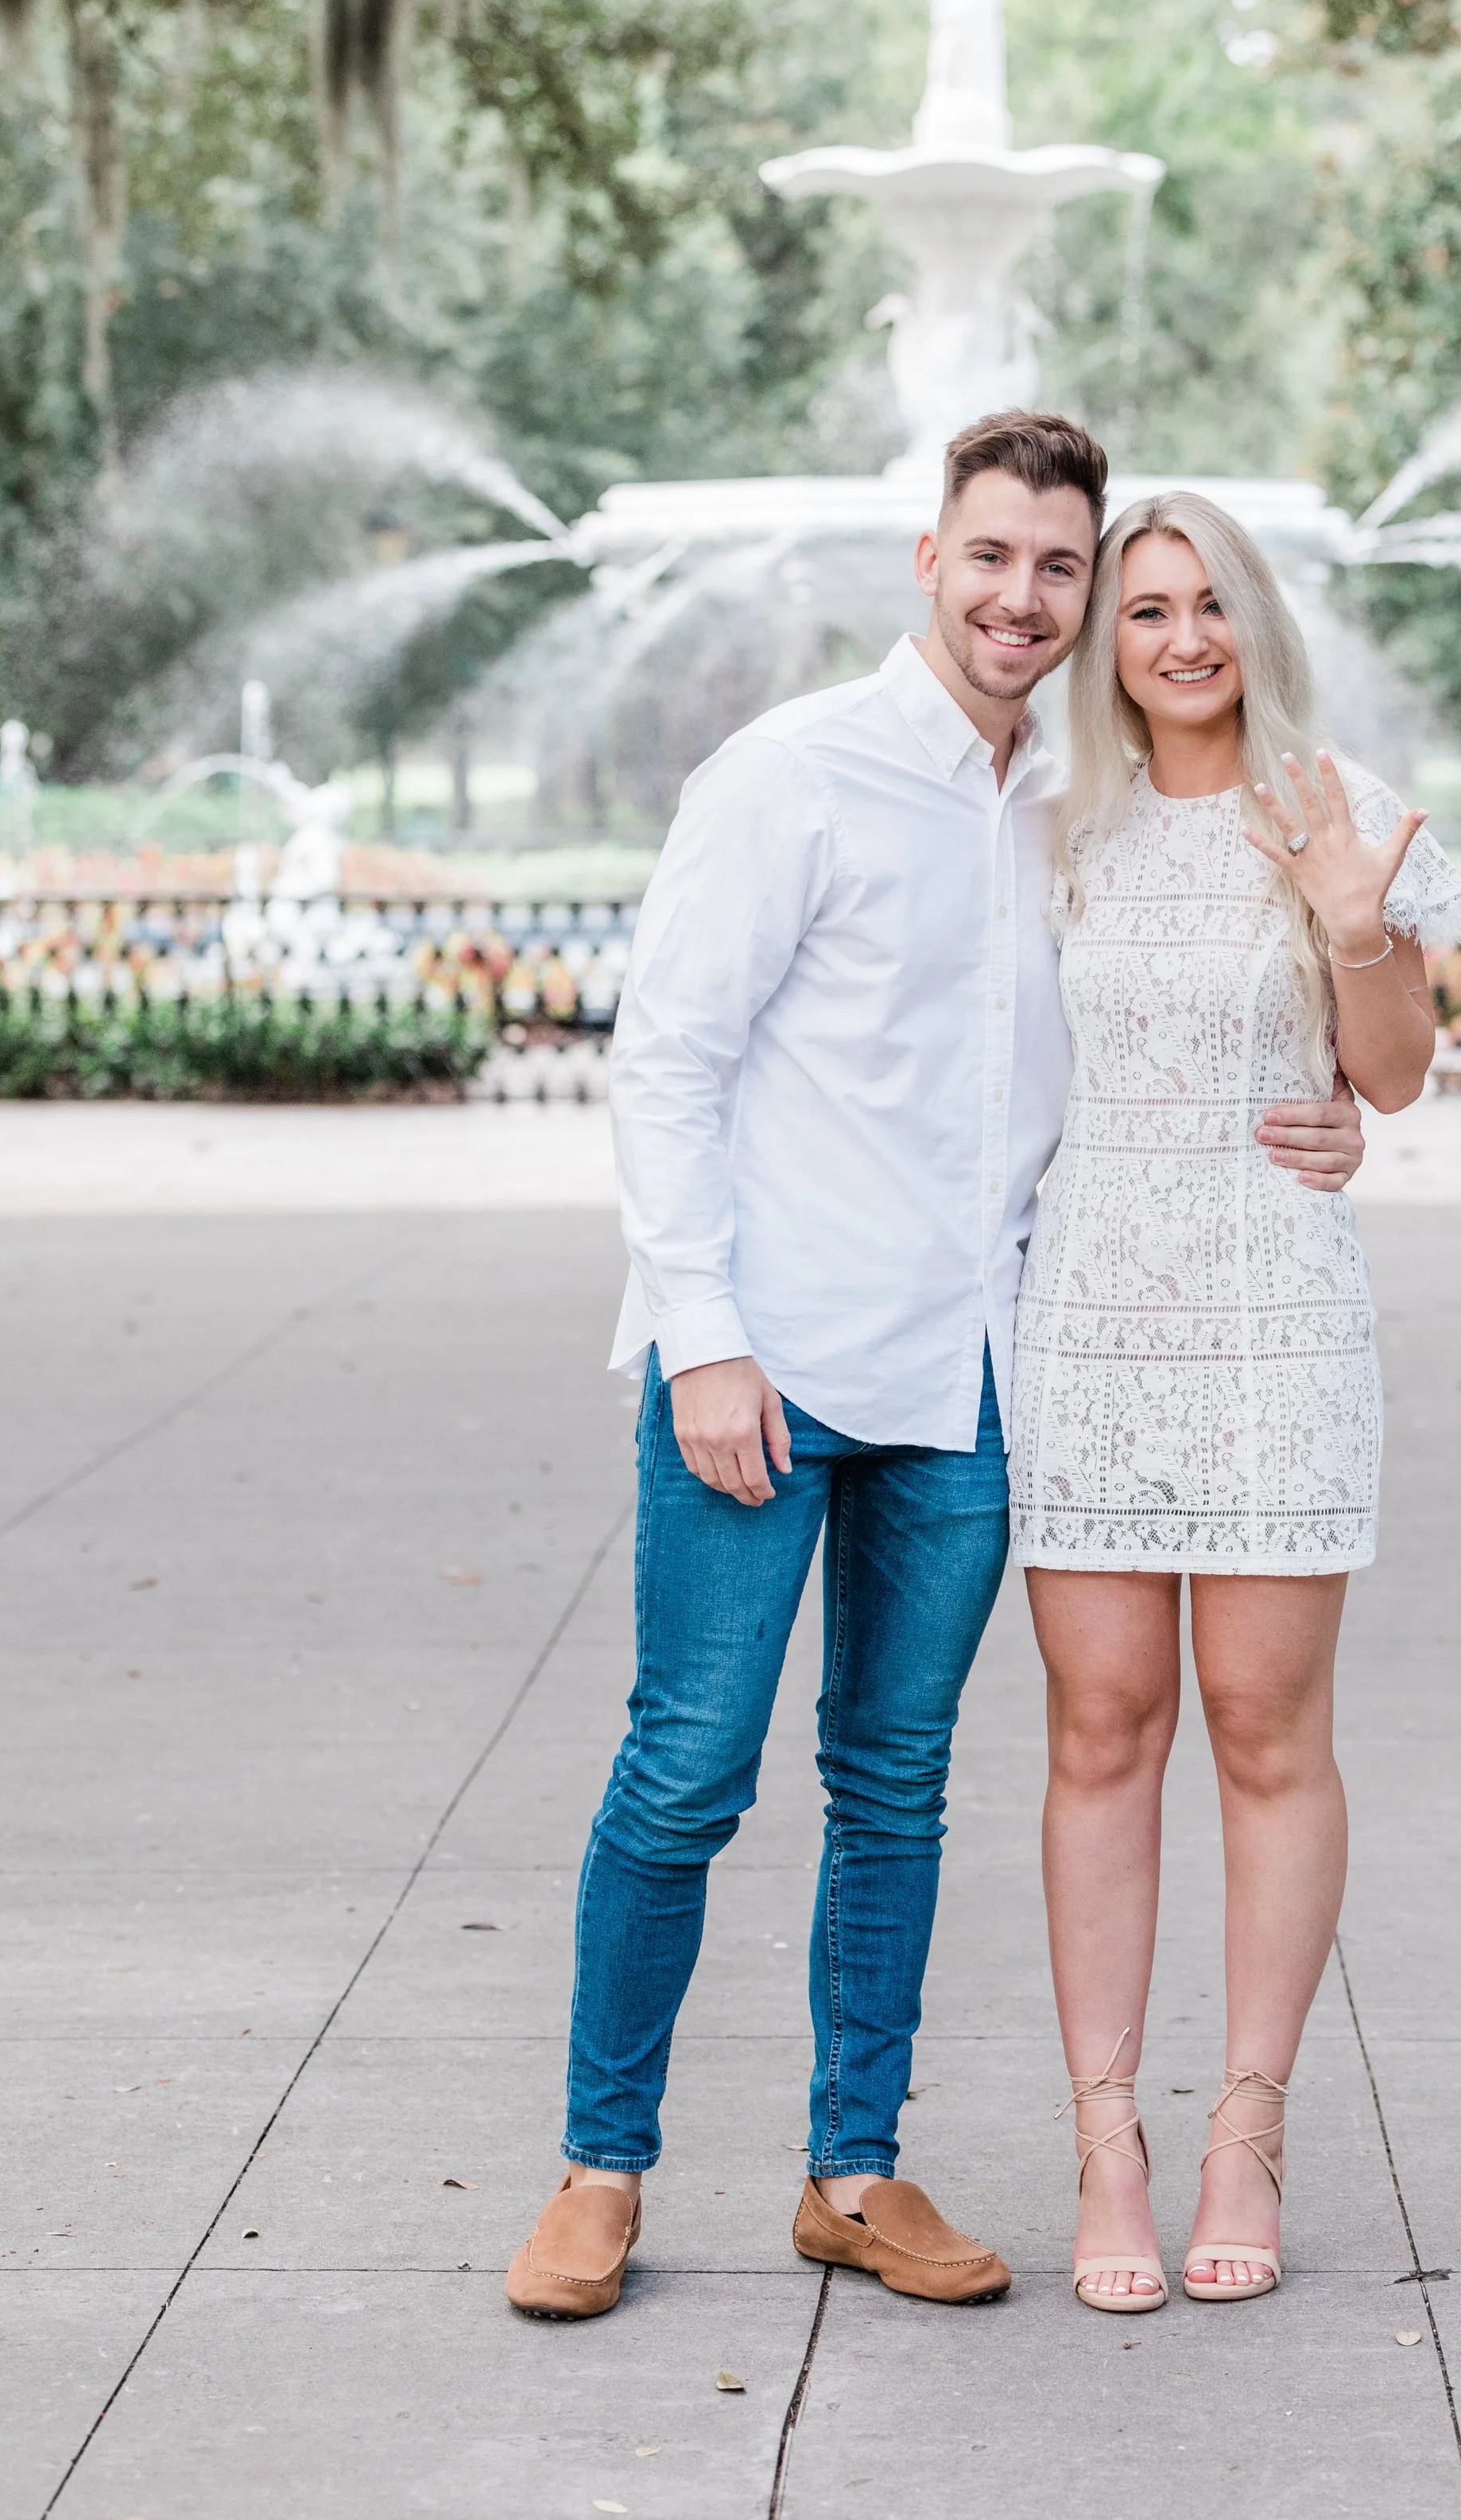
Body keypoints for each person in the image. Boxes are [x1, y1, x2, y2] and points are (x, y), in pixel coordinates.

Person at [506, 415, 1370, 2324]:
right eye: (997, 558)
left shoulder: (1061, 809)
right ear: (929, 559)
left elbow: (1198, 1038)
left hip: (978, 1380)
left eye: (1059, 570)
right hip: (767, 1365)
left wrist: (1330, 1111)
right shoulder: (790, 774)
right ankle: (598, 2167)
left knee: (894, 1787)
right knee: (686, 1771)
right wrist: (703, 1338)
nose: (1025, 598)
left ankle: (851, 2167)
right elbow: (666, 1062)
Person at [1007, 490, 1461, 2316]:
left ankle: (1245, 2135)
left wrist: (1351, 928)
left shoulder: (1334, 809)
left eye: (1208, 604)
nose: (1180, 637)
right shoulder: (1052, 829)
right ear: (1103, 644)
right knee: (1098, 1727)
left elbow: (1393, 1077)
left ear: (1251, 622)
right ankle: (1107, 2139)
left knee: (1264, 1725)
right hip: (1089, 1319)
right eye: (1144, 610)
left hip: (1274, 1313)